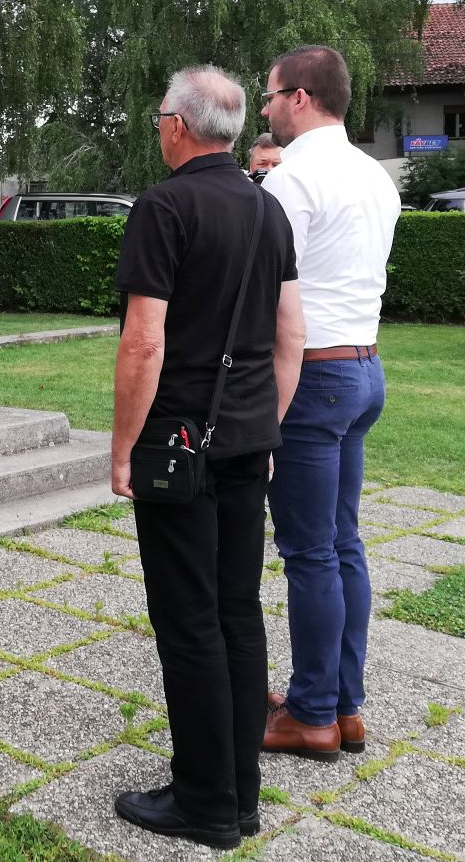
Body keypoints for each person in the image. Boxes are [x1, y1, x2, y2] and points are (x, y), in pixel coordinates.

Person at [110, 66, 305, 847]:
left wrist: (123, 448)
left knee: (188, 621)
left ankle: (203, 804)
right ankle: (240, 794)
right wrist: (262, 425)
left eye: (160, 115)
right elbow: (291, 337)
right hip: (247, 442)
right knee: (236, 613)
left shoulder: (163, 208)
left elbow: (145, 341)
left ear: (181, 126)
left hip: (179, 446)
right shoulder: (268, 208)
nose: (157, 126)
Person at [258, 45, 400, 762]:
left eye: (272, 95)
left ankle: (311, 713)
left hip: (313, 376)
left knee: (309, 551)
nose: (265, 108)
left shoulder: (294, 181)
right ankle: (343, 704)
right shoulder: (374, 176)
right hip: (365, 367)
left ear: (302, 97)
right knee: (343, 543)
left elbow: (268, 295)